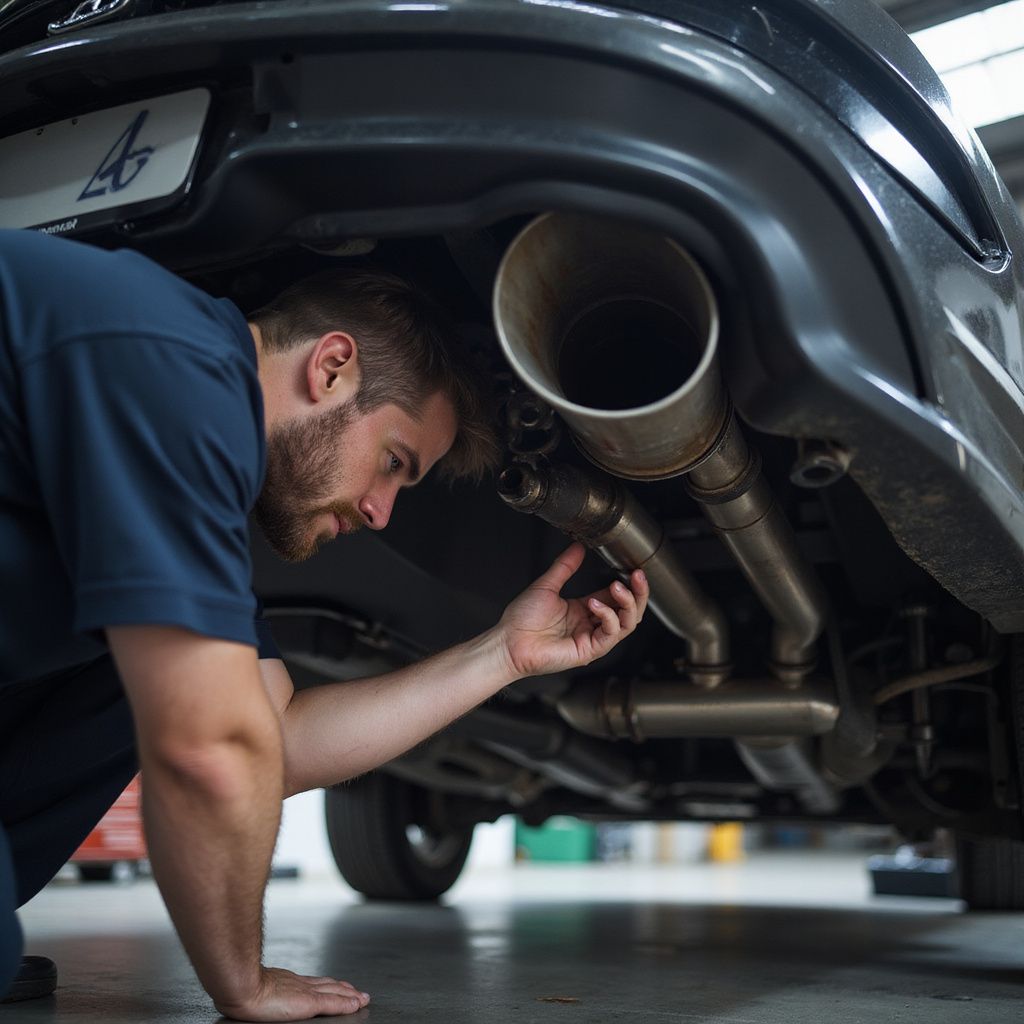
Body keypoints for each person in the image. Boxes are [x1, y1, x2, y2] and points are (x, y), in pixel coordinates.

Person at [0, 229, 649, 1020]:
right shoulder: (173, 372)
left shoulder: (187, 414)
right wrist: (241, 981)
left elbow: (278, 739)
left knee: (151, 669)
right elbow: (210, 752)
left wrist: (503, 655)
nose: (380, 513)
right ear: (332, 367)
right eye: (393, 463)